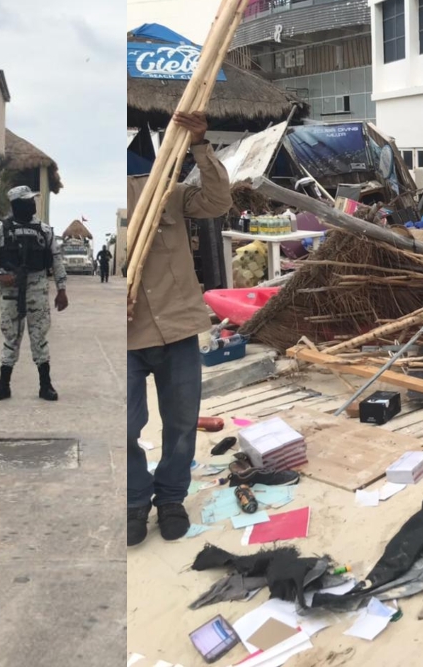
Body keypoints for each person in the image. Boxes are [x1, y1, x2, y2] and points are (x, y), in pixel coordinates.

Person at [126, 111, 232, 546]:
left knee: (182, 422)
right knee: (124, 426)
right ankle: (134, 501)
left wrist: (200, 146)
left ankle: (170, 498)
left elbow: (218, 201)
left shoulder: (167, 192)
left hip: (177, 326)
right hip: (126, 334)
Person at [0, 186, 68, 402]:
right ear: (16, 205)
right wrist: (0, 276)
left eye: (33, 200)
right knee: (11, 337)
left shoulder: (45, 230)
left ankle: (45, 385)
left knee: (39, 337)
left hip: (37, 288)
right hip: (11, 291)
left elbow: (56, 260)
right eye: (27, 201)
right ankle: (3, 385)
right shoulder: (0, 229)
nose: (32, 204)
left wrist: (62, 289)